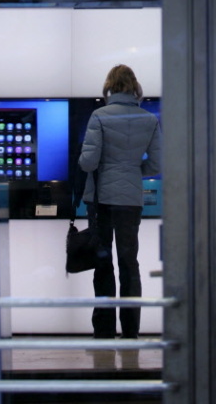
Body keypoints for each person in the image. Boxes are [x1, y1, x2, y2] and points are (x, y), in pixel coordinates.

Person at [79, 64, 161, 340]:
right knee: (129, 262)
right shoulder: (149, 119)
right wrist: (133, 171)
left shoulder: (99, 116)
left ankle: (103, 330)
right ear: (134, 86)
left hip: (102, 200)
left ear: (109, 86)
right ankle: (131, 330)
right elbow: (157, 164)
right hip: (131, 200)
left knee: (103, 263)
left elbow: (88, 161)